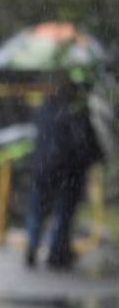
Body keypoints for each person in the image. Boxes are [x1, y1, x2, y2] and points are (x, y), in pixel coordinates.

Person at [24, 67, 104, 269]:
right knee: (63, 210)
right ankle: (56, 252)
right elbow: (85, 142)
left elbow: (37, 135)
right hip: (68, 169)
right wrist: (94, 158)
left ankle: (33, 244)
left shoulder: (46, 106)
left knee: (38, 207)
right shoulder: (77, 112)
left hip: (43, 166)